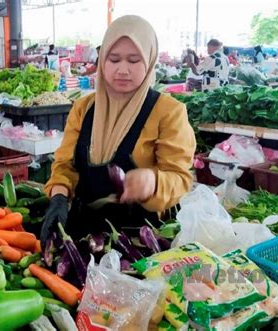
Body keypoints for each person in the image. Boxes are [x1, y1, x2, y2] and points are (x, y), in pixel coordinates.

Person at [39, 15, 196, 245]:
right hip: (85, 237)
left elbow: (180, 178)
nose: (122, 70)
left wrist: (152, 182)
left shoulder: (168, 112)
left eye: (134, 60)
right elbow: (65, 165)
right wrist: (59, 196)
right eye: (113, 59)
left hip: (142, 240)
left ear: (150, 61)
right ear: (102, 61)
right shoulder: (84, 109)